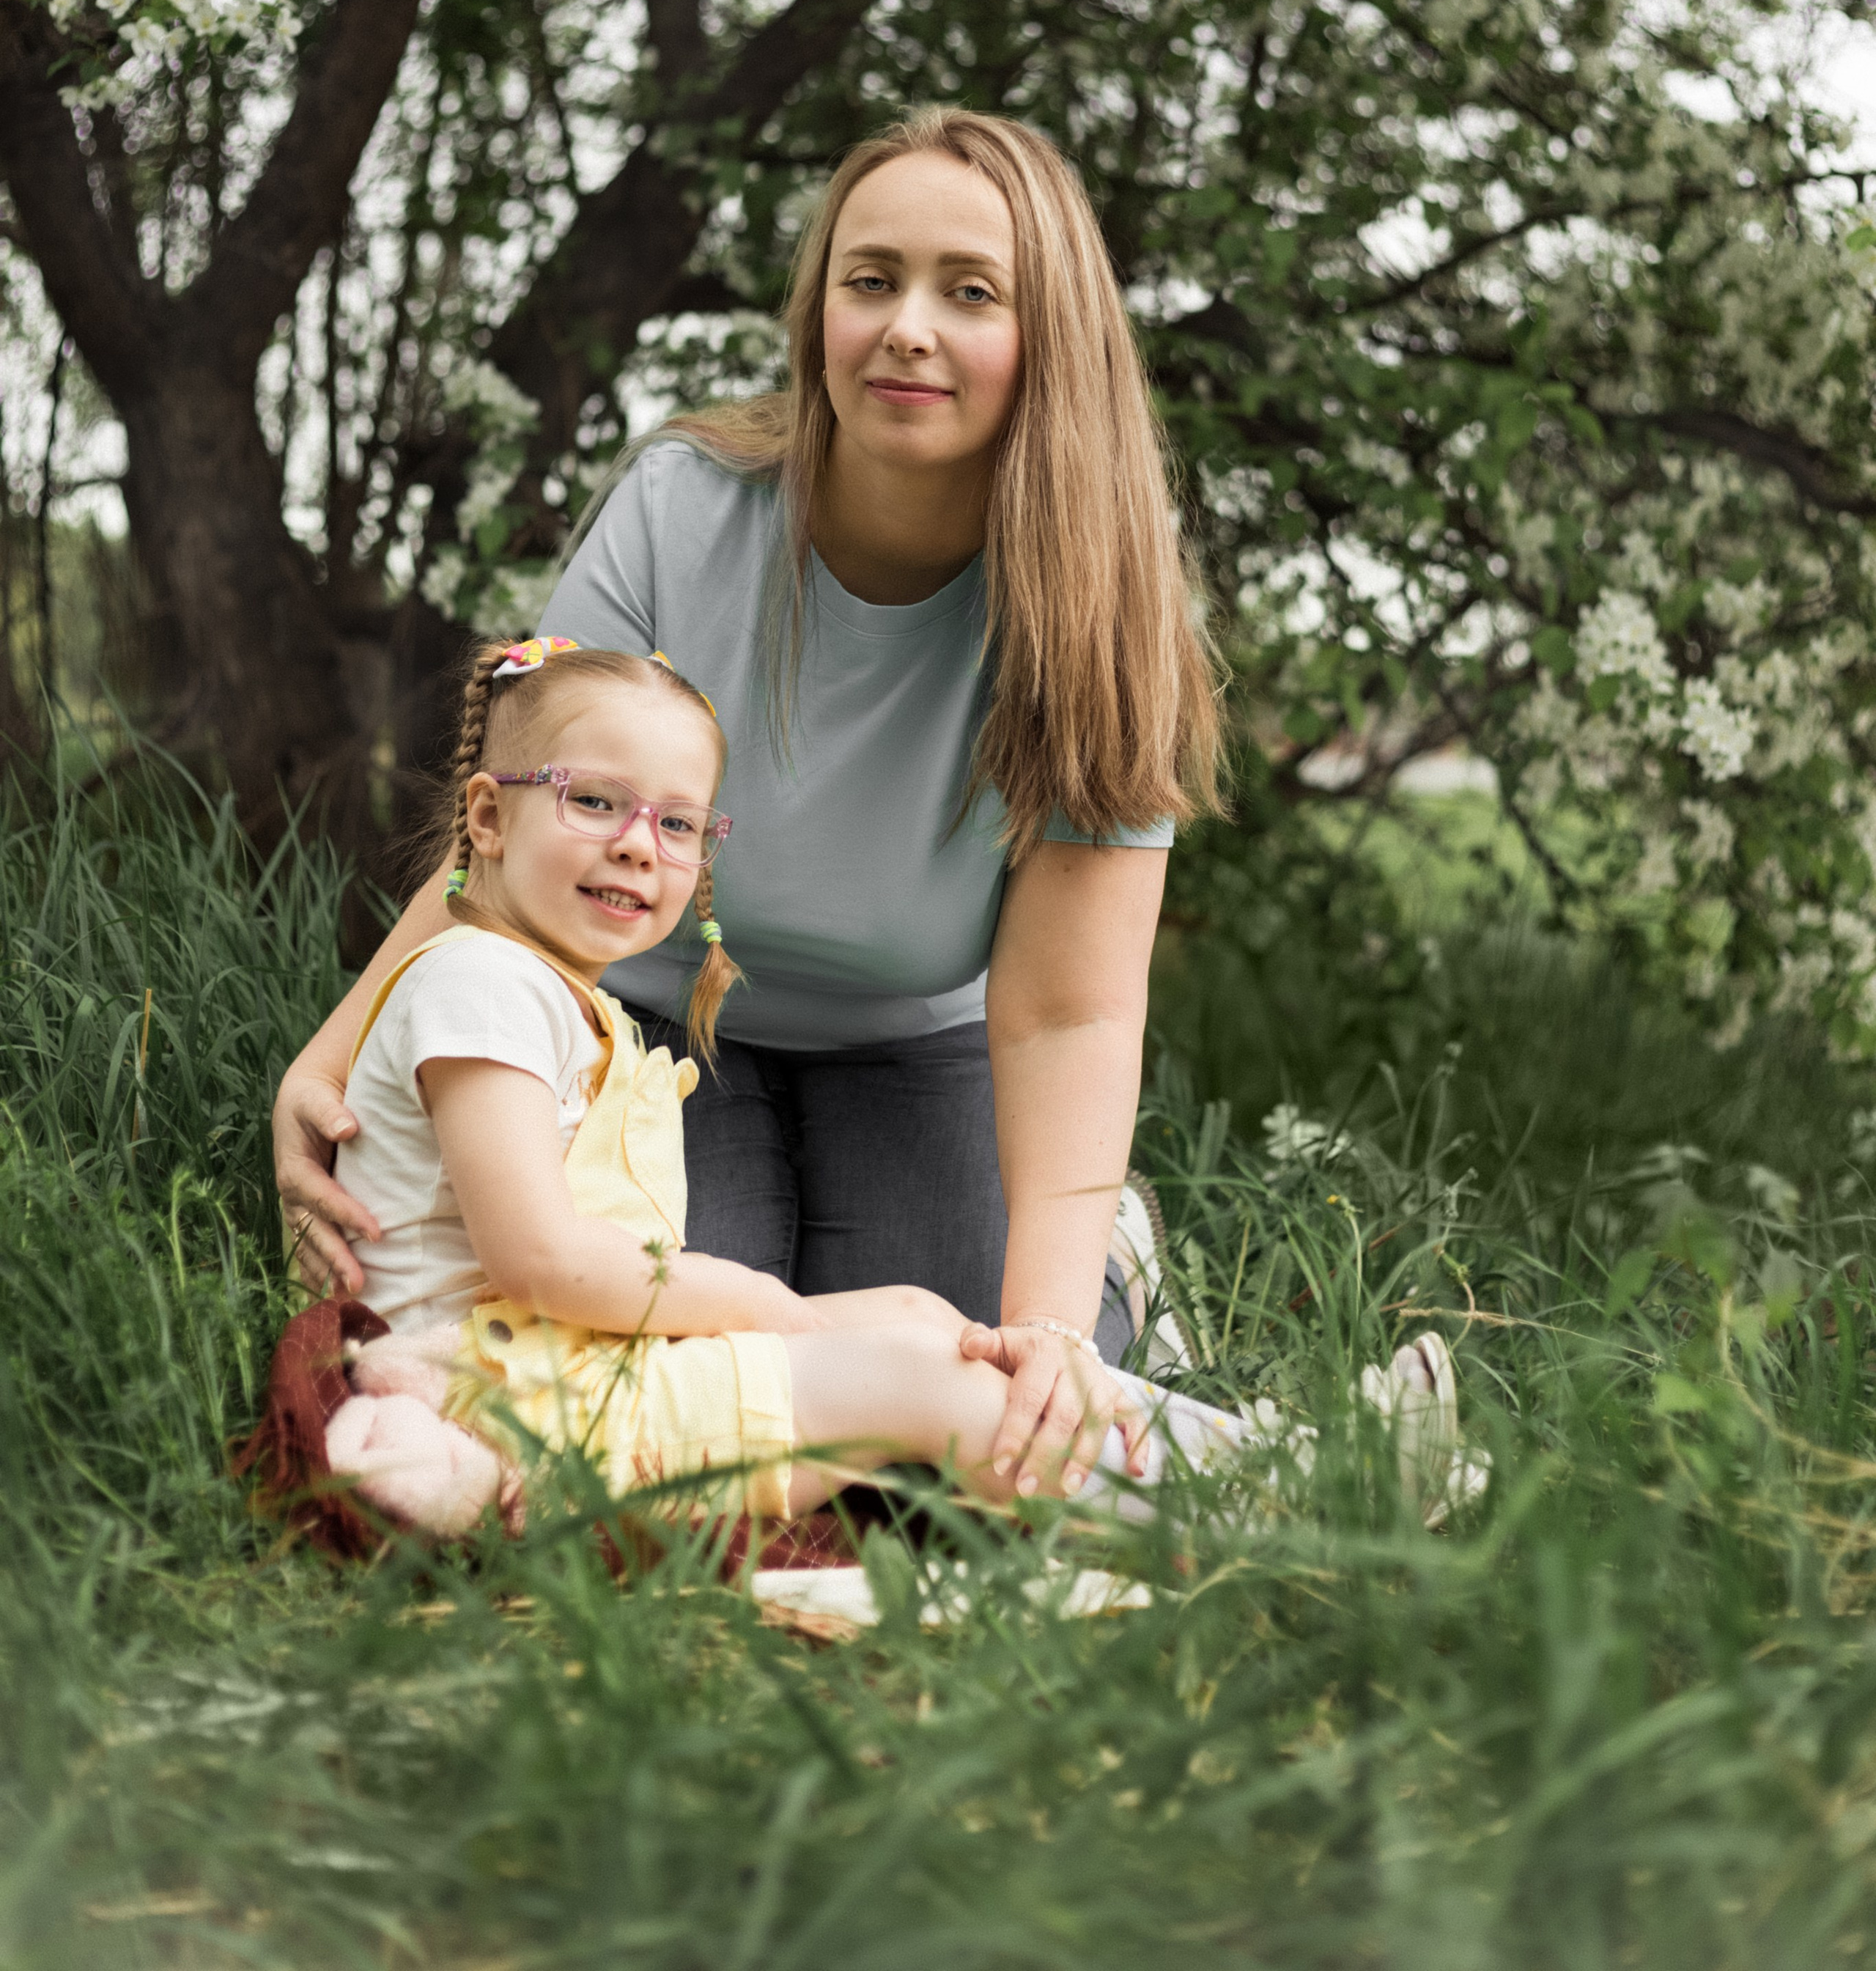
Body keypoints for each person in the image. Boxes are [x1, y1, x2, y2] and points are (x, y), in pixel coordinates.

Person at [276, 108, 1225, 1492]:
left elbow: (1070, 1008)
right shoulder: (685, 507)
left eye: (971, 293)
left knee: (971, 1406)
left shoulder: (1113, 608)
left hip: (922, 1043)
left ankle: (1118, 1275)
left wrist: (1048, 1321)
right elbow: (525, 821)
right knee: (658, 1374)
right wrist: (333, 1047)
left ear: (1052, 337)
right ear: (819, 307)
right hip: (649, 1022)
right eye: (870, 278)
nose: (907, 326)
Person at [320, 637, 1356, 1536]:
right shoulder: (477, 985)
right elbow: (538, 1257)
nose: (639, 843)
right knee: (916, 1379)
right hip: (506, 1406)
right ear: (489, 821)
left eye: (680, 825)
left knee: (919, 1315)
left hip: (555, 1370)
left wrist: (791, 1319)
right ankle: (1292, 1495)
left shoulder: (537, 988)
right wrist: (765, 1307)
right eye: (595, 802)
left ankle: (1229, 1468)